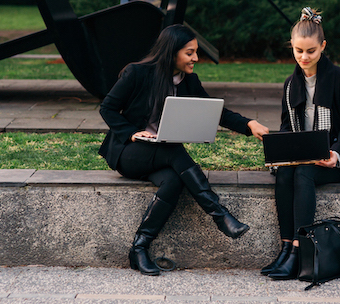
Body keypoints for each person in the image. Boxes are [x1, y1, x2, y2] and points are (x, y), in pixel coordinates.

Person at [99, 24, 269, 276]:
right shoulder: (137, 73)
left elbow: (215, 112)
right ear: (172, 52)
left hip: (164, 156)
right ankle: (219, 214)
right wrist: (132, 133)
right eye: (190, 53)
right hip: (129, 152)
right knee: (173, 151)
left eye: (196, 52)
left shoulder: (189, 81)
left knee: (174, 181)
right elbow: (107, 108)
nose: (196, 58)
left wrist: (248, 124)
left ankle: (139, 247)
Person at [261, 7, 340, 280]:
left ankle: (302, 252)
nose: (304, 57)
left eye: (311, 51)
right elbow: (288, 127)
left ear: (323, 47)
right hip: (305, 155)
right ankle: (286, 248)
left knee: (303, 173)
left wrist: (336, 155)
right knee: (286, 171)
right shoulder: (292, 85)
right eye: (298, 50)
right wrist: (281, 154)